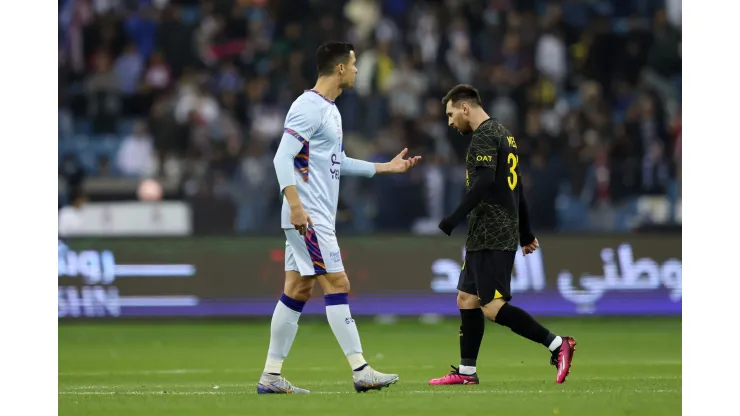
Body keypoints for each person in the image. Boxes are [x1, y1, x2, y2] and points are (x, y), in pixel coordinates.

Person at [258, 42, 422, 394]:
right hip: (308, 216)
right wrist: (297, 206)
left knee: (298, 288)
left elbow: (339, 162)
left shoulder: (331, 111)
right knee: (338, 284)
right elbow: (280, 159)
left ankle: (271, 376)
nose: (358, 70)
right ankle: (361, 370)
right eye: (355, 64)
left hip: (311, 216)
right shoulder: (307, 106)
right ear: (340, 69)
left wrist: (386, 167)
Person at [430, 84, 576, 386]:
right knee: (466, 298)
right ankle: (466, 372)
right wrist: (525, 232)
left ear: (464, 107)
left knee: (492, 307)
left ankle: (557, 344)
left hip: (491, 232)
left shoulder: (484, 135)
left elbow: (483, 182)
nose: (449, 121)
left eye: (450, 114)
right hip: (490, 232)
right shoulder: (504, 134)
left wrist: (453, 218)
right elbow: (516, 188)